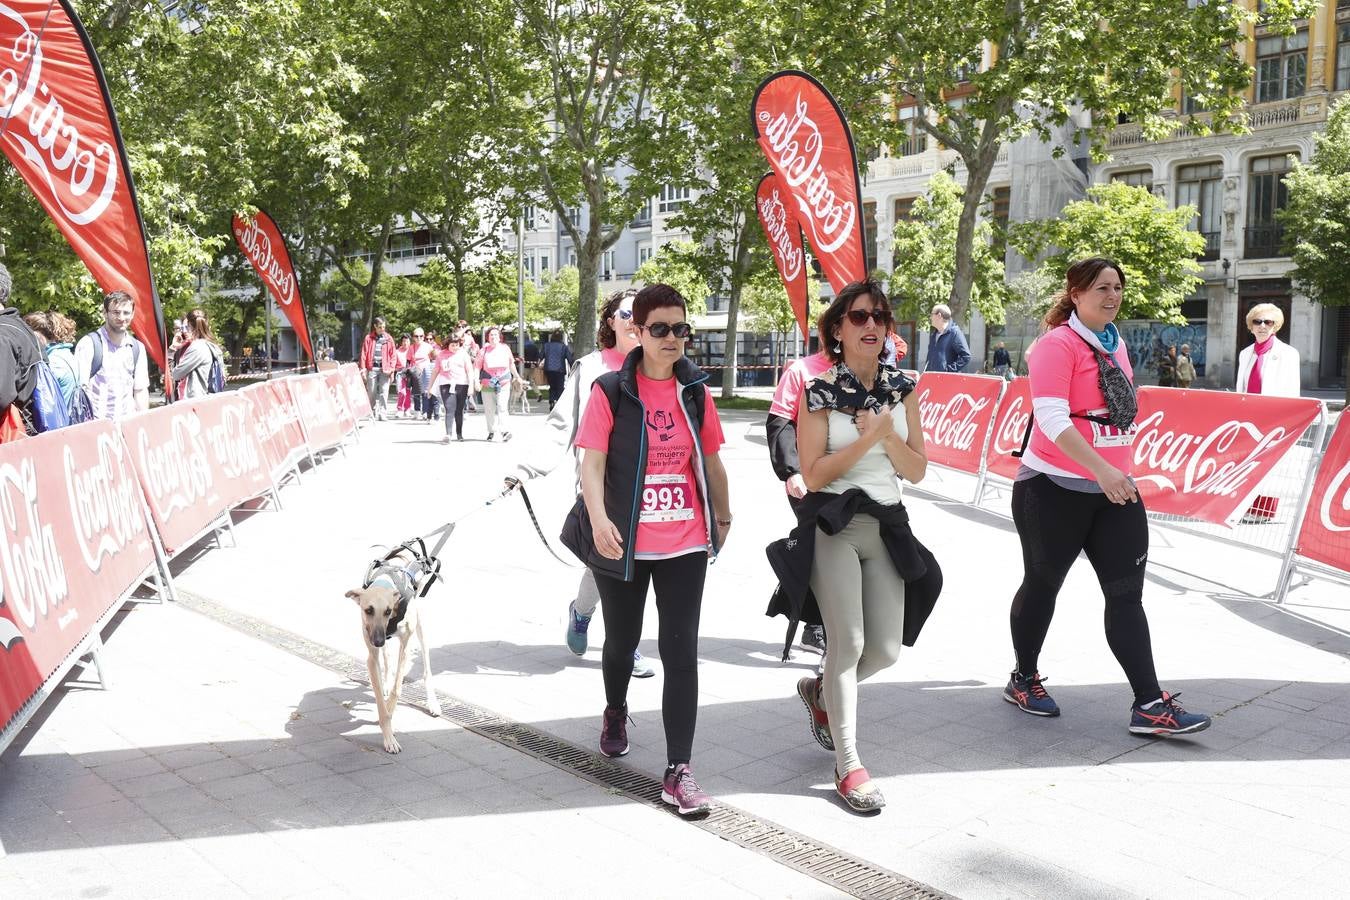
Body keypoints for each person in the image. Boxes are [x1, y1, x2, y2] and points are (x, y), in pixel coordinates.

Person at [1004, 257, 1210, 737]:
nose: (1112, 295)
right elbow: (1053, 420)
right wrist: (1102, 471)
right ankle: (1024, 677)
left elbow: (1113, 418)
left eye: (1117, 287)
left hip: (1114, 490)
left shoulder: (1115, 344)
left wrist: (1117, 473)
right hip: (1052, 488)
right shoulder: (1056, 345)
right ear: (1075, 293)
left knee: (1126, 597)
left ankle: (1150, 705)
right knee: (1042, 585)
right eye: (1101, 287)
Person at [766, 280, 937, 814]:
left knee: (885, 649)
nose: (871, 326)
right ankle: (850, 766)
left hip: (887, 523)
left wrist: (886, 434)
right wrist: (866, 439)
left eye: (879, 317)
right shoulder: (818, 391)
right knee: (849, 644)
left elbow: (918, 469)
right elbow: (813, 475)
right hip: (833, 524)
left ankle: (820, 694)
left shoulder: (902, 387)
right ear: (837, 330)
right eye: (859, 317)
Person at [561, 283, 731, 817]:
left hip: (684, 543)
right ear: (637, 330)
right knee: (622, 642)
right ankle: (615, 710)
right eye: (661, 329)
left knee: (682, 654)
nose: (673, 338)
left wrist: (722, 516)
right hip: (623, 542)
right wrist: (598, 517)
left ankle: (679, 770)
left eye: (681, 328)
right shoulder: (610, 391)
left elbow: (712, 459)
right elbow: (590, 463)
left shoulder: (696, 392)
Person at [510, 288, 654, 678]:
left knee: (628, 565)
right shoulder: (590, 368)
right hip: (599, 485)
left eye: (639, 315)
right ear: (611, 321)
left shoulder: (658, 365)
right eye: (626, 314)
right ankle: (618, 640)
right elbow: (562, 422)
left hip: (651, 485)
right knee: (610, 560)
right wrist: (526, 469)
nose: (633, 323)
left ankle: (589, 617)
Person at [767, 344, 835, 655]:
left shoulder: (866, 369)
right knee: (825, 552)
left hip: (853, 481)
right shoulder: (800, 371)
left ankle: (829, 627)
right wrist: (791, 472)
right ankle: (817, 626)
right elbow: (780, 423)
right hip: (808, 482)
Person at [1236, 304, 1301, 522]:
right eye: (1258, 322)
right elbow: (1242, 388)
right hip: (1249, 419)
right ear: (1251, 326)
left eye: (1268, 322)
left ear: (1275, 327)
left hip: (1275, 419)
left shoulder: (1288, 354)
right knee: (1249, 462)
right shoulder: (1245, 354)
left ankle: (1265, 510)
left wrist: (1287, 419)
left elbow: (1292, 391)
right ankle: (1247, 505)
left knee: (1271, 464)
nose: (1262, 326)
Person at [74, 290, 150, 421]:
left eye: (126, 313)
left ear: (132, 315)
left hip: (127, 426)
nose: (121, 317)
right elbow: (80, 389)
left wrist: (143, 423)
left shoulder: (137, 347)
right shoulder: (89, 344)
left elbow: (140, 390)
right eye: (116, 312)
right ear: (105, 313)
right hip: (97, 426)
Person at [23, 311, 78, 407]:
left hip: (56, 420)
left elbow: (43, 403)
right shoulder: (66, 354)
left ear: (39, 336)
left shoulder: (52, 363)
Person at [169, 308, 225, 400]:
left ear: (190, 326)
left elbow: (175, 374)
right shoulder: (212, 346)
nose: (183, 331)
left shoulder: (197, 347)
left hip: (193, 401)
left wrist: (173, 348)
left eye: (185, 327)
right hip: (207, 398)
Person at [430, 334, 474, 443]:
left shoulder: (464, 354)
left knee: (459, 410)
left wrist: (471, 386)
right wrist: (429, 387)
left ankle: (459, 433)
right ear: (448, 345)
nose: (455, 347)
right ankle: (448, 434)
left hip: (462, 384)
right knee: (449, 409)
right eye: (453, 345)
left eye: (457, 345)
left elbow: (469, 370)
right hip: (446, 383)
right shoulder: (441, 355)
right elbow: (435, 371)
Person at [476, 326, 518, 442]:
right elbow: (477, 367)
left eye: (495, 335)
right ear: (487, 338)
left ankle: (504, 431)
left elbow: (511, 364)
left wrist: (517, 376)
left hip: (503, 382)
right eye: (491, 335)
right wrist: (475, 381)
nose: (493, 337)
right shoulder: (483, 351)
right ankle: (491, 430)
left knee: (502, 406)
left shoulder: (505, 349)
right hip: (488, 382)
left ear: (500, 337)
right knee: (489, 408)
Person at [358, 318, 397, 420]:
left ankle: (383, 413)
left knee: (384, 391)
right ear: (375, 326)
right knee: (372, 391)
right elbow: (363, 354)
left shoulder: (389, 338)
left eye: (384, 327)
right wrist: (363, 368)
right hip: (372, 368)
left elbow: (393, 355)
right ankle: (372, 411)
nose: (382, 329)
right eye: (380, 327)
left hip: (385, 369)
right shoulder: (369, 338)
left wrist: (392, 369)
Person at [924, 303, 971, 373]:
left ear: (939, 315)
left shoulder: (955, 333)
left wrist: (949, 370)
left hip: (946, 380)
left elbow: (966, 356)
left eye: (932, 314)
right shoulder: (934, 334)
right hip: (932, 378)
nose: (930, 317)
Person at [541, 330, 573, 410]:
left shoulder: (546, 345)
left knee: (552, 386)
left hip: (549, 369)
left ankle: (551, 401)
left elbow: (541, 355)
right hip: (560, 370)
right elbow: (569, 358)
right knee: (560, 387)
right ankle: (559, 403)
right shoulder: (563, 346)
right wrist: (572, 367)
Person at [406, 328, 432, 418]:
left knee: (425, 392)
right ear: (413, 337)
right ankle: (417, 410)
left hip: (426, 370)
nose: (419, 338)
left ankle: (425, 411)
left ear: (423, 336)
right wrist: (408, 371)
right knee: (416, 392)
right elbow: (408, 361)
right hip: (415, 371)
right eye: (416, 336)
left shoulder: (428, 346)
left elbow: (433, 358)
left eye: (421, 336)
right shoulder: (411, 348)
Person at [395, 334, 412, 418]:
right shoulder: (397, 352)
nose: (405, 343)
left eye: (407, 341)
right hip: (400, 373)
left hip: (409, 373)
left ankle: (407, 409)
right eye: (404, 341)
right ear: (401, 342)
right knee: (402, 392)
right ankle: (400, 409)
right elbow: (393, 362)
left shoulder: (412, 350)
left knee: (408, 392)